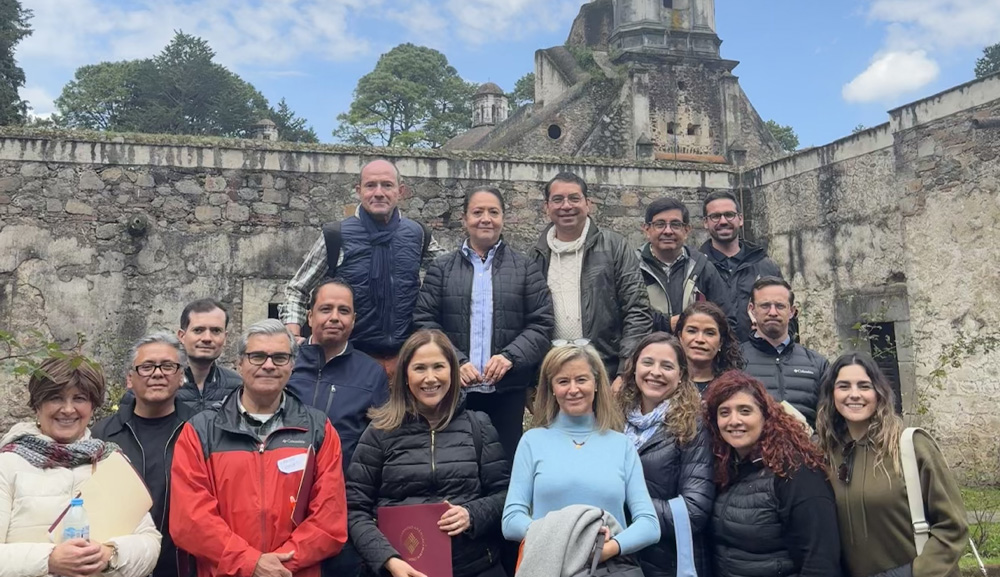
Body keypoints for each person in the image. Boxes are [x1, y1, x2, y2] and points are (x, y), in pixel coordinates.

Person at [170, 319, 348, 577]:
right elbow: (190, 520)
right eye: (257, 356)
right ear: (239, 364)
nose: (268, 365)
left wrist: (278, 566)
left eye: (279, 357)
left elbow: (329, 520)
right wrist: (250, 562)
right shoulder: (201, 430)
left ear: (292, 365)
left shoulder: (318, 429)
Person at [347, 329, 510, 577]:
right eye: (420, 368)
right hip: (400, 569)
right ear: (405, 375)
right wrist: (387, 559)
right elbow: (354, 508)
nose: (430, 378)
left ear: (453, 372)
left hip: (474, 568)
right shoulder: (380, 431)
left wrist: (472, 514)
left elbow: (504, 494)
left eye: (438, 367)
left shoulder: (479, 426)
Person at [414, 186, 555, 461]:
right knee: (456, 463)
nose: (485, 219)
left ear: (503, 217)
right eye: (477, 212)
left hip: (507, 391)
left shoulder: (525, 268)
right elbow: (424, 321)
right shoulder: (441, 269)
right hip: (453, 390)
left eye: (493, 212)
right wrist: (454, 360)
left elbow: (542, 324)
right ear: (465, 219)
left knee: (504, 466)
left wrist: (510, 357)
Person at [0, 356, 161, 577]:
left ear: (92, 405)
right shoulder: (7, 464)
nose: (68, 409)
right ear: (37, 405)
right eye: (55, 398)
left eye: (79, 398)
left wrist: (110, 555)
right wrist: (49, 560)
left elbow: (150, 542)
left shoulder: (109, 461)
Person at [281, 159, 442, 378]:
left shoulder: (418, 235)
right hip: (348, 360)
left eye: (386, 185)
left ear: (400, 191)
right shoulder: (335, 236)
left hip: (405, 360)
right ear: (359, 191)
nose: (378, 193)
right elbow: (297, 289)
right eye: (370, 185)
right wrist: (293, 336)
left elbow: (449, 277)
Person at [502, 343, 660, 563]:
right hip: (549, 563)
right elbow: (511, 520)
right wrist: (564, 539)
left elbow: (649, 524)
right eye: (563, 381)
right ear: (552, 388)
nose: (573, 389)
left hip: (608, 566)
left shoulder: (621, 445)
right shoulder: (532, 441)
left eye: (581, 379)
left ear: (596, 384)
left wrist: (611, 547)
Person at [816, 353, 968, 577]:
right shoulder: (826, 454)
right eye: (844, 386)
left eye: (864, 386)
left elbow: (953, 526)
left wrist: (908, 574)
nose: (854, 394)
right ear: (832, 394)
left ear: (878, 393)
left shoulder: (910, 446)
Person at [703, 371, 842, 577]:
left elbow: (820, 559)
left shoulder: (795, 471)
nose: (734, 421)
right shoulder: (726, 469)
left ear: (766, 416)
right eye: (724, 412)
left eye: (745, 411)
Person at [530, 172, 652, 391]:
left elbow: (637, 310)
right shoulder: (535, 255)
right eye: (558, 200)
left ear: (588, 204)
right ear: (546, 207)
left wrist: (625, 373)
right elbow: (529, 319)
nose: (566, 206)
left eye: (574, 198)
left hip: (606, 373)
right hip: (554, 376)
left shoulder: (614, 246)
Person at [93, 333, 196, 577]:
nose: (158, 373)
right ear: (130, 378)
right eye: (147, 367)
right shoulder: (104, 434)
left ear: (181, 376)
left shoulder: (200, 429)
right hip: (122, 565)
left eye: (168, 366)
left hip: (184, 566)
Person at [617, 333, 714, 577]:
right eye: (647, 362)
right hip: (616, 556)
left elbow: (694, 510)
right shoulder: (611, 419)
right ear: (634, 367)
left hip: (665, 561)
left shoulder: (694, 425)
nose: (656, 372)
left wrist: (623, 505)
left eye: (667, 366)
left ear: (681, 376)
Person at [288, 278, 389, 470]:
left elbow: (380, 444)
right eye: (326, 309)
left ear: (353, 320)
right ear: (310, 317)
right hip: (285, 485)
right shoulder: (285, 363)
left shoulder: (371, 374)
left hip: (343, 489)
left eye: (343, 311)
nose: (334, 317)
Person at [638, 197, 735, 334]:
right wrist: (666, 324)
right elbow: (624, 315)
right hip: (649, 353)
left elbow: (726, 319)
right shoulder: (633, 268)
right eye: (660, 224)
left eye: (675, 224)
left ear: (687, 230)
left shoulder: (703, 269)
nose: (668, 231)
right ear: (647, 229)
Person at [740, 277, 828, 427]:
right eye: (765, 305)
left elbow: (829, 419)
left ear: (792, 311)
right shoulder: (735, 359)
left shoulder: (817, 364)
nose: (772, 312)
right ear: (752, 310)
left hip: (806, 449)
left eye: (780, 306)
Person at [698, 191, 784, 342]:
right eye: (715, 216)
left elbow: (786, 315)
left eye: (729, 214)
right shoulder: (695, 268)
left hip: (760, 355)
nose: (723, 221)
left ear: (740, 219)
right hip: (711, 357)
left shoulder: (766, 267)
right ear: (705, 222)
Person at [176, 298, 242, 412]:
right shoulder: (164, 383)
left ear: (225, 338)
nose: (207, 338)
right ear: (182, 336)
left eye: (216, 331)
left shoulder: (238, 387)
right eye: (198, 330)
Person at [675, 301, 744, 394]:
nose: (700, 339)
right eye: (692, 331)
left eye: (709, 333)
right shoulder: (666, 382)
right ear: (680, 337)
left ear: (721, 342)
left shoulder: (733, 388)